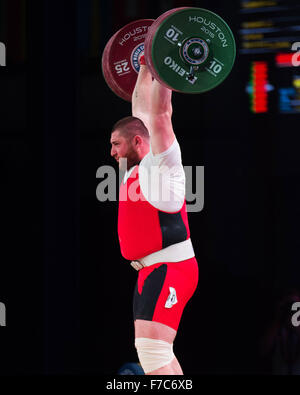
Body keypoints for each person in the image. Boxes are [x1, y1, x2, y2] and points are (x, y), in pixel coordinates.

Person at [110, 55, 199, 375]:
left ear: (137, 141)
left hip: (170, 268)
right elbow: (140, 104)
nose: (112, 152)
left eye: (115, 143)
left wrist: (164, 67)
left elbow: (160, 112)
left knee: (152, 353)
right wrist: (147, 63)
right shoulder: (135, 168)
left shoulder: (164, 162)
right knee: (157, 355)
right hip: (152, 271)